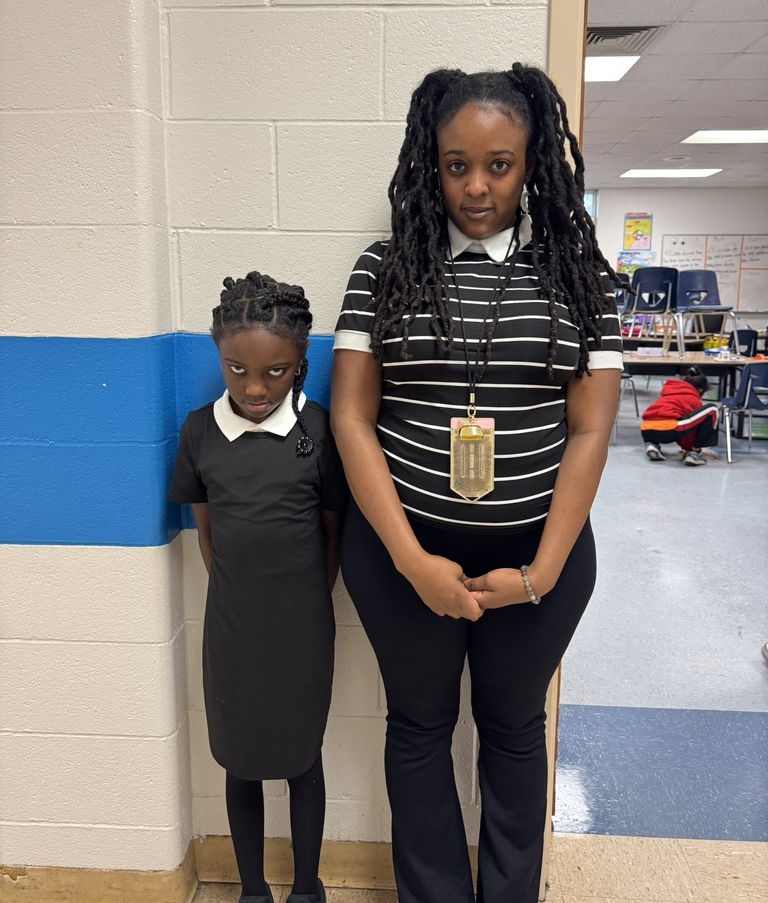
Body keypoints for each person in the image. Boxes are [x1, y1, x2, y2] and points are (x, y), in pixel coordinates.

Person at [331, 65, 623, 903]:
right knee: (418, 729)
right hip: (398, 556)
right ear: (432, 161)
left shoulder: (577, 275)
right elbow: (353, 421)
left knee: (513, 728)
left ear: (532, 164)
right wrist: (413, 561)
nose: (477, 186)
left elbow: (593, 429)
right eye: (457, 164)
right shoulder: (383, 268)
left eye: (500, 164)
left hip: (541, 559)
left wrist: (539, 574)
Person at [169, 272, 347, 903]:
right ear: (219, 358)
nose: (253, 387)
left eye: (275, 373)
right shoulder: (198, 432)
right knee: (237, 758)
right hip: (233, 629)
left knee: (303, 757)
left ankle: (306, 887)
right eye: (236, 368)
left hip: (302, 629)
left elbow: (330, 537)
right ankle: (251, 890)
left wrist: (304, 604)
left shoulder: (321, 432)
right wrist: (242, 597)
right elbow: (208, 535)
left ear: (300, 365)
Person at [640, 366, 718, 466]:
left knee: (672, 420)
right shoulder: (693, 399)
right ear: (700, 390)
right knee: (712, 409)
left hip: (646, 429)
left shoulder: (668, 393)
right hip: (670, 429)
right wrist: (689, 448)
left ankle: (652, 445)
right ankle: (693, 453)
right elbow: (690, 429)